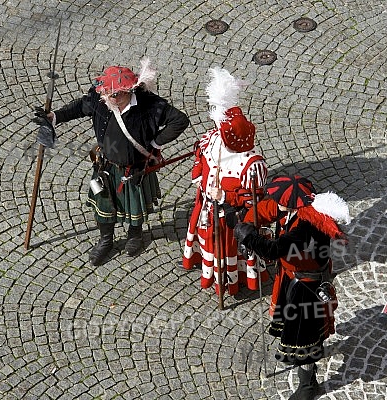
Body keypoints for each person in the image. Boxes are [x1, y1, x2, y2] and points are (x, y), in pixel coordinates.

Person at [33, 58, 190, 265]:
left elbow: (180, 120)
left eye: (112, 95)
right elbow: (81, 106)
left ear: (127, 92)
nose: (106, 98)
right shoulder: (101, 98)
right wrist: (54, 117)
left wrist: (155, 143)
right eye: (105, 93)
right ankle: (106, 240)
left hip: (136, 169)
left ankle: (135, 235)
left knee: (135, 206)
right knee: (103, 204)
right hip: (106, 167)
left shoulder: (150, 105)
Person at [234, 175, 350, 400]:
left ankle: (308, 386)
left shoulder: (305, 228)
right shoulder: (296, 208)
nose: (275, 202)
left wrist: (249, 238)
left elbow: (273, 250)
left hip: (307, 287)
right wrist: (247, 221)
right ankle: (309, 372)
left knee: (303, 338)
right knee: (302, 331)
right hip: (292, 278)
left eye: (280, 200)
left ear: (293, 203)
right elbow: (267, 209)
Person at [182, 67, 269, 296]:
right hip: (206, 209)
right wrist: (199, 175)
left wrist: (225, 197)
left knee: (229, 252)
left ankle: (233, 282)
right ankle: (211, 274)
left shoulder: (252, 165)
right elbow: (201, 157)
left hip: (232, 222)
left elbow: (253, 201)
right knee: (208, 244)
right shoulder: (212, 140)